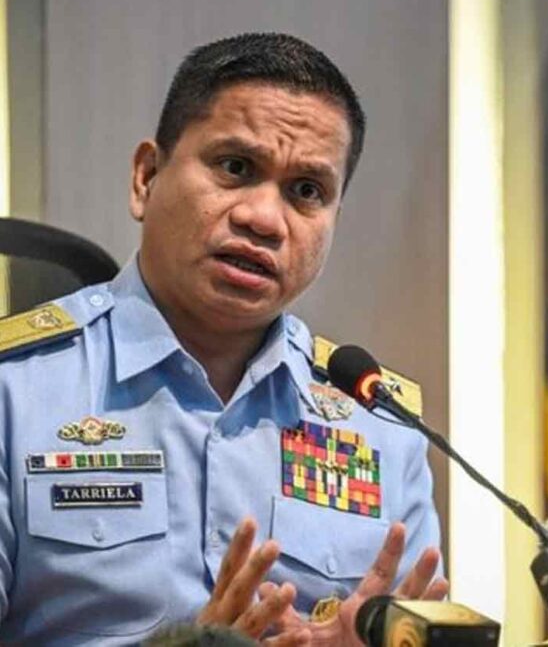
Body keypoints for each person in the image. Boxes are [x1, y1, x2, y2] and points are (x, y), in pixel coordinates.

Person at [0, 33, 447, 645]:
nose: (264, 218)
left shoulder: (381, 426)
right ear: (146, 177)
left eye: (307, 192)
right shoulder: (14, 393)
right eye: (236, 168)